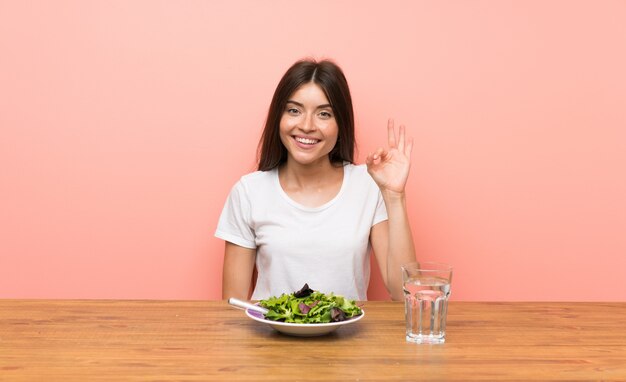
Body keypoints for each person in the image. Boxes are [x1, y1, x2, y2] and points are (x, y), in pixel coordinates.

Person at [215, 58, 416, 301]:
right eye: (294, 110)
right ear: (278, 117)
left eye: (323, 114)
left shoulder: (367, 185)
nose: (307, 126)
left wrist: (395, 197)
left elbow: (403, 293)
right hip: (271, 338)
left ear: (340, 123)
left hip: (347, 337)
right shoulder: (249, 192)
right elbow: (233, 304)